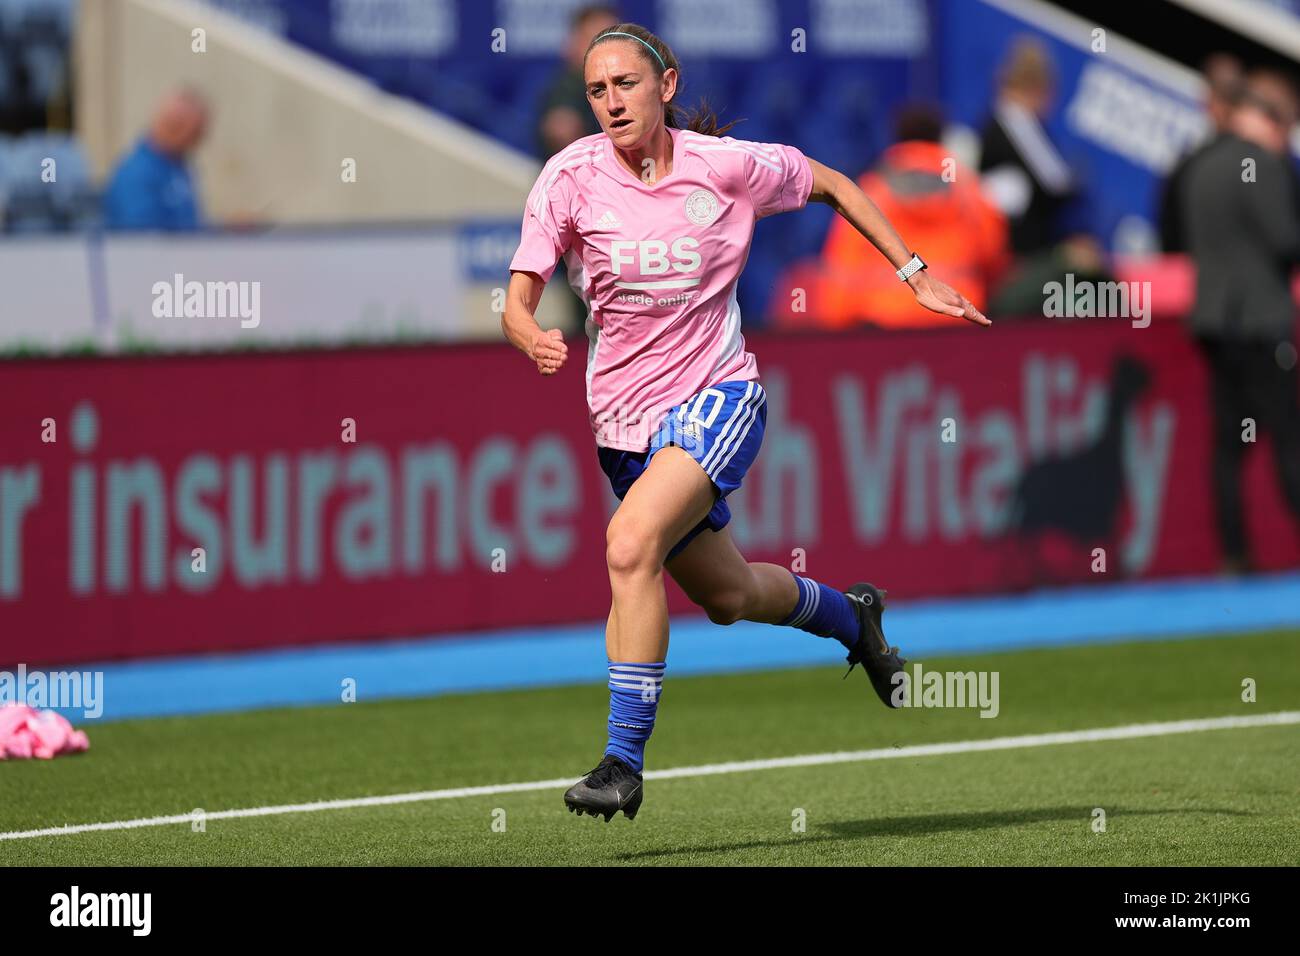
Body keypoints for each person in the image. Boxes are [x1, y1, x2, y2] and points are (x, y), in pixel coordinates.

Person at [502, 23, 989, 822]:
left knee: (629, 547)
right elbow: (519, 297)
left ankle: (623, 762)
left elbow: (835, 182)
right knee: (728, 596)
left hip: (717, 399)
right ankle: (854, 619)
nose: (611, 102)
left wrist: (915, 274)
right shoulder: (569, 177)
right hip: (622, 424)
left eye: (626, 84)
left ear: (666, 85)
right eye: (596, 90)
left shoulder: (726, 166)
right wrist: (526, 331)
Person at [1178, 68, 1300, 573]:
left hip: (1213, 322)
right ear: (1269, 122)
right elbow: (1285, 240)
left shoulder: (1199, 163)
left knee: (1228, 444)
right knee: (1289, 437)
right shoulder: (1260, 164)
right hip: (1259, 321)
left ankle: (1235, 554)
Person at [815, 104, 1008, 328]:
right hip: (956, 315)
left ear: (897, 139)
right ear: (939, 138)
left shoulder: (871, 192)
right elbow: (994, 254)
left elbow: (842, 266)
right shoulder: (967, 189)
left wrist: (836, 327)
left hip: (886, 321)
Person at [1159, 54, 1244, 254]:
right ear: (1209, 100)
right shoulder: (1191, 165)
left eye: (1236, 98)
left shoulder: (1257, 163)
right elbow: (1170, 233)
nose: (1230, 109)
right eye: (1226, 97)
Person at [103, 88, 208, 231]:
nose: (198, 141)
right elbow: (144, 241)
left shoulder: (178, 166)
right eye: (196, 133)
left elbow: (192, 225)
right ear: (175, 127)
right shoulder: (137, 174)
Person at [535, 4, 620, 159]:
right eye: (597, 41)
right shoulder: (568, 87)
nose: (608, 50)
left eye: (615, 41)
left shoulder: (627, 88)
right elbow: (561, 126)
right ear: (573, 44)